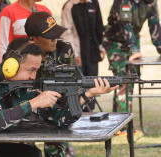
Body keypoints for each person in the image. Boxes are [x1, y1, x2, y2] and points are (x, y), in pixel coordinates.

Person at [0, 37, 117, 157]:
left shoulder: (22, 87)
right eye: (31, 70)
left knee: (30, 154)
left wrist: (87, 94)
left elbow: (60, 120)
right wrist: (34, 102)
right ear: (11, 65)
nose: (34, 77)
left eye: (37, 70)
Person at [24, 11, 118, 157]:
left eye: (56, 33)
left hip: (56, 113)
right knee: (26, 151)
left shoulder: (64, 49)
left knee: (56, 152)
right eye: (49, 36)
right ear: (33, 39)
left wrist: (92, 91)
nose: (55, 39)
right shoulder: (20, 53)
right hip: (28, 113)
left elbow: (75, 83)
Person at [103, 0, 161, 112]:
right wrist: (134, 49)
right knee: (124, 81)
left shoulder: (151, 1)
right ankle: (124, 128)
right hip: (115, 43)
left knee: (131, 80)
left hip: (133, 42)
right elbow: (125, 25)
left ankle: (119, 121)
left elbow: (155, 24)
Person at [61, 0, 106, 111]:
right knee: (79, 87)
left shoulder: (94, 3)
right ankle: (77, 114)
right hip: (77, 53)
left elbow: (99, 25)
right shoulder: (69, 6)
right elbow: (67, 33)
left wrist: (101, 46)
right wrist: (74, 54)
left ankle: (91, 112)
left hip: (93, 52)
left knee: (93, 83)